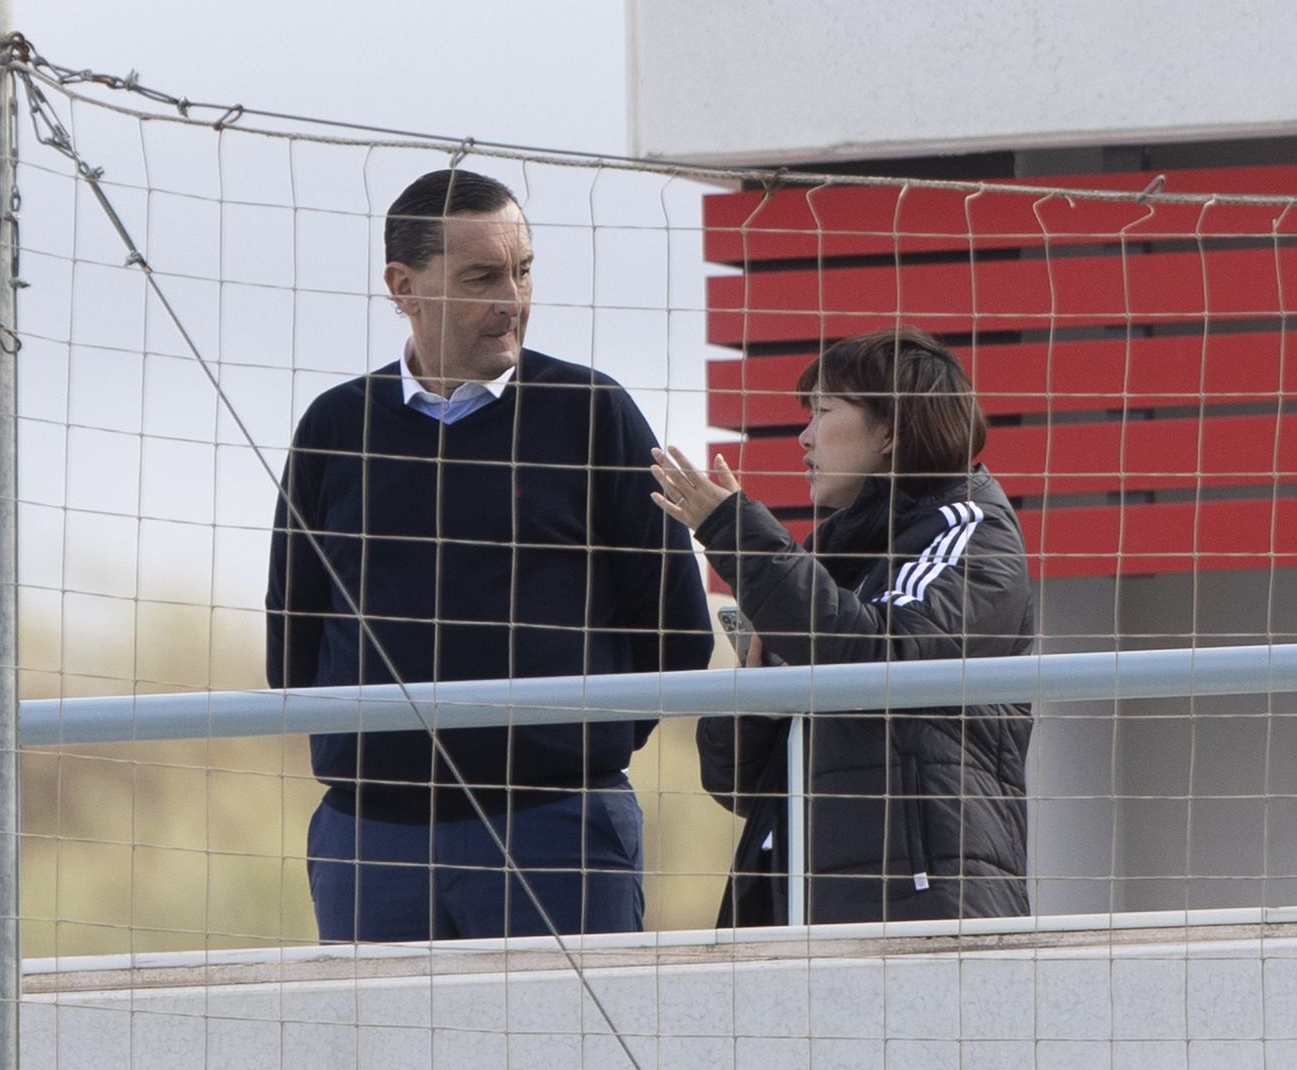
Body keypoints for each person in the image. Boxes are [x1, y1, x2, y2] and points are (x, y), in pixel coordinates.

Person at [266, 169, 713, 942]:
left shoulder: (593, 414)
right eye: (482, 276)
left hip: (560, 830)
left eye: (524, 269)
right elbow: (292, 640)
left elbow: (675, 629)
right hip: (369, 844)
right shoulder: (334, 427)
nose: (512, 298)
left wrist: (567, 751)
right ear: (402, 286)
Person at [650, 327, 1033, 926]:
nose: (803, 436)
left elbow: (883, 655)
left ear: (892, 430)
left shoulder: (971, 528)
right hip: (790, 904)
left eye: (823, 411)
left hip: (921, 906)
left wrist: (733, 532)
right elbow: (733, 781)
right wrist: (759, 702)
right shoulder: (832, 554)